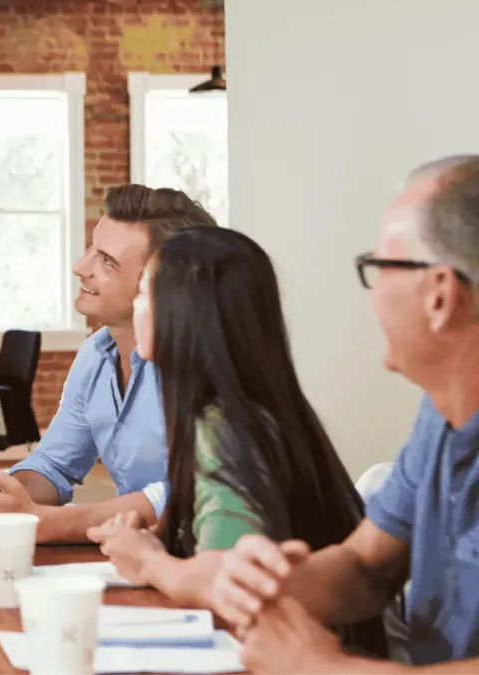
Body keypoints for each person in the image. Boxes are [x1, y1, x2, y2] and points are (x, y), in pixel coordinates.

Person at [205, 156, 479, 672]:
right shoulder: (439, 416)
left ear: (440, 295)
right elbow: (365, 568)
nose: (372, 296)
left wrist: (328, 668)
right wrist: (270, 586)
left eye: (380, 268)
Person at [84, 226, 387, 656]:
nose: (136, 309)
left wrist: (150, 562)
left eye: (143, 295)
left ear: (183, 314)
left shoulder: (221, 429)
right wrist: (156, 540)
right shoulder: (251, 412)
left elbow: (225, 576)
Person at [0, 184, 217, 541]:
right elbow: (54, 463)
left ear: (164, 285)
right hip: (143, 551)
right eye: (93, 248)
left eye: (107, 261)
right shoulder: (96, 355)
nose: (80, 268)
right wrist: (2, 497)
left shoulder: (205, 368)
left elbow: (187, 494)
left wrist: (43, 522)